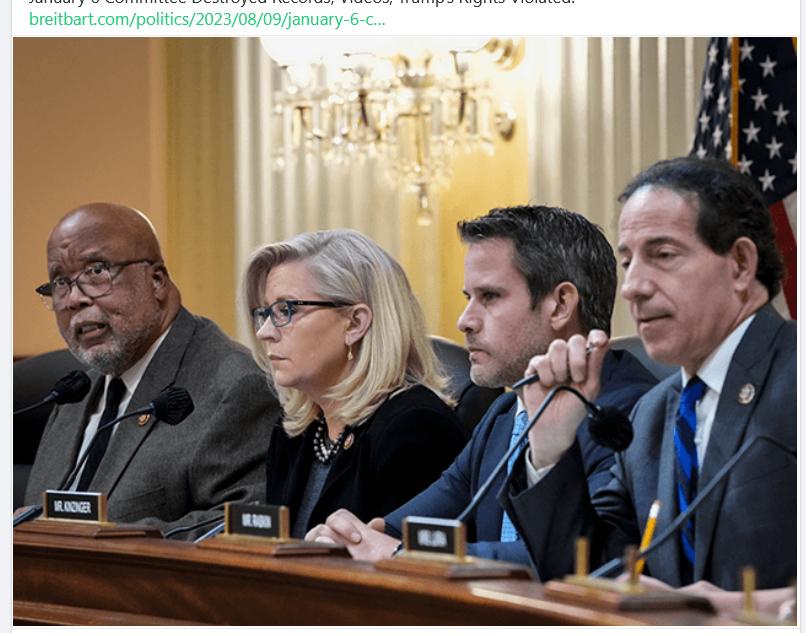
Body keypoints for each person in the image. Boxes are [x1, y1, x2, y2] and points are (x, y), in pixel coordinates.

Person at [502, 157, 796, 593]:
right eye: (627, 262)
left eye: (662, 255)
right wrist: (549, 449)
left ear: (739, 264)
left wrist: (761, 611)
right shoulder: (650, 415)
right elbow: (588, 576)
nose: (633, 287)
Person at [306, 206, 657, 564]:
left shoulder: (634, 416)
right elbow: (403, 527)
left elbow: (585, 561)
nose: (464, 321)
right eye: (467, 298)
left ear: (560, 305)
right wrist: (349, 537)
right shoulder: (504, 414)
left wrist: (401, 553)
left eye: (489, 296)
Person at [22, 203, 280, 539]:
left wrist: (105, 540)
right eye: (60, 282)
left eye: (96, 271)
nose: (74, 299)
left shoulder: (235, 387)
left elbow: (242, 530)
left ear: (156, 281)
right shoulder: (74, 393)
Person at [243, 230, 467, 538]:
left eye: (286, 310)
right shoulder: (294, 431)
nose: (264, 332)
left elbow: (405, 560)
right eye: (266, 313)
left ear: (355, 323)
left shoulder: (415, 429)